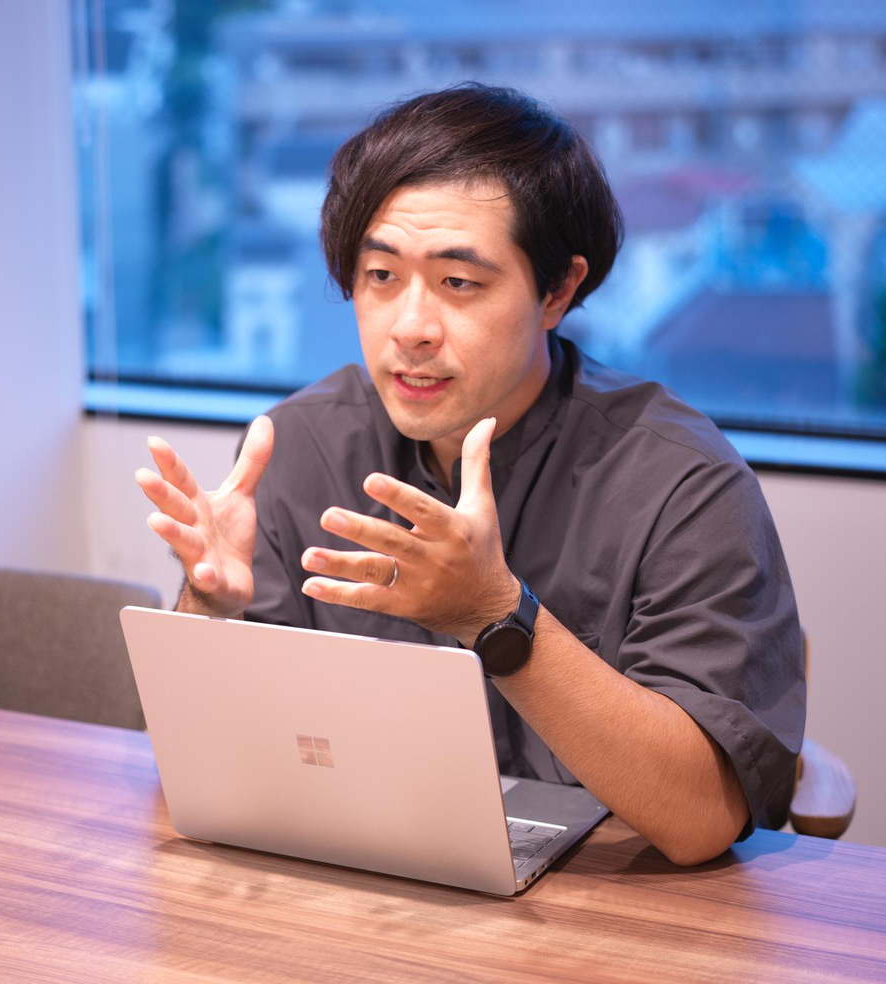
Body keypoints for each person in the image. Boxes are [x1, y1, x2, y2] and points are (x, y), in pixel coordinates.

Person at [134, 83, 804, 866]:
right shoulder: (303, 444)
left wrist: (497, 617)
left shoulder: (680, 482)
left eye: (459, 283)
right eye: (380, 276)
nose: (411, 328)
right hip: (368, 889)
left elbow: (699, 818)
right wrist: (208, 612)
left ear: (558, 290)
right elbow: (219, 776)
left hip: (602, 908)